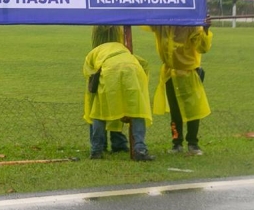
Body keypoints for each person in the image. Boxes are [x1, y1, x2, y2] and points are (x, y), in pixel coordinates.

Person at [148, 19, 213, 155]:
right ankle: (177, 143)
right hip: (170, 74)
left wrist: (205, 30)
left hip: (188, 74)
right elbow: (148, 22)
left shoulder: (192, 27)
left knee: (192, 110)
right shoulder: (163, 25)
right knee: (175, 111)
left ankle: (193, 144)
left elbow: (203, 48)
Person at [83, 40, 154, 161]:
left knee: (99, 113)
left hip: (109, 72)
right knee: (137, 111)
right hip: (133, 71)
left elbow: (89, 74)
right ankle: (140, 150)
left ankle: (96, 151)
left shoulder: (93, 54)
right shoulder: (123, 49)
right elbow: (144, 63)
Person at [88, 25, 129, 154]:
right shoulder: (116, 27)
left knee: (98, 108)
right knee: (115, 104)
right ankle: (117, 143)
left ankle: (100, 146)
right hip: (112, 62)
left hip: (103, 61)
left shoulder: (99, 28)